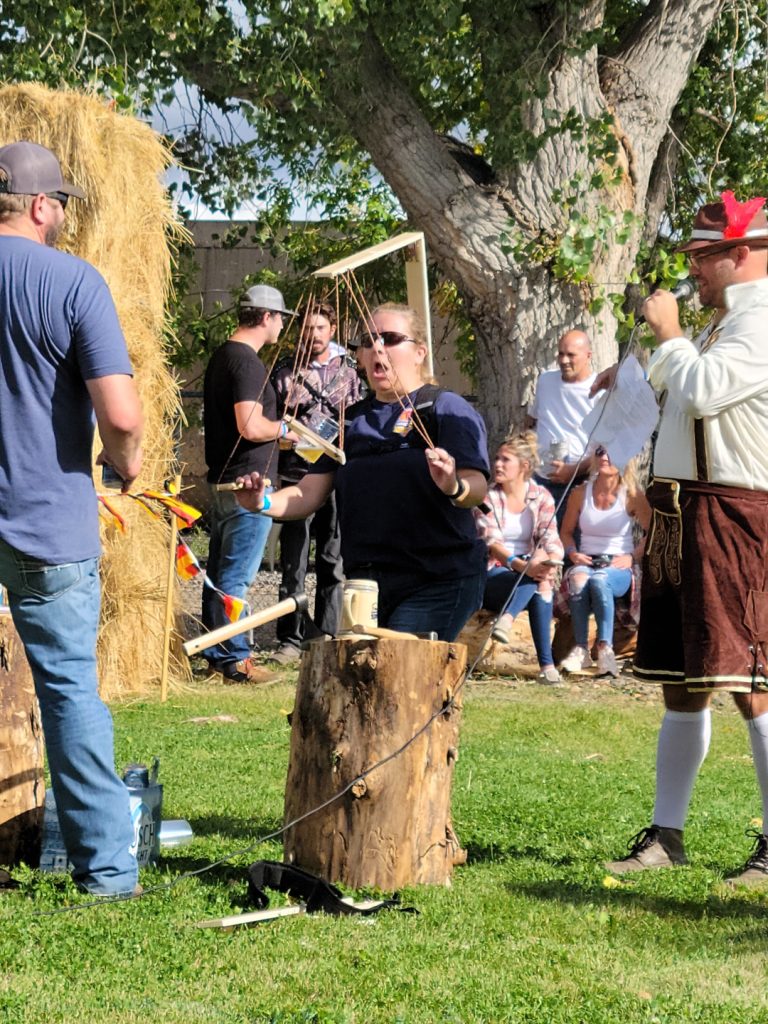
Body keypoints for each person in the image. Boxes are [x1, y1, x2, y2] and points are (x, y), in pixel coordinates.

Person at [600, 193, 768, 884]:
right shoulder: (724, 322)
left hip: (733, 515)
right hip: (682, 513)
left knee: (750, 679)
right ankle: (667, 835)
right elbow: (689, 400)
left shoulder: (760, 321)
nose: (691, 269)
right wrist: (638, 376)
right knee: (681, 680)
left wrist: (668, 335)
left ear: (741, 253)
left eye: (703, 256)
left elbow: (701, 392)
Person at [0, 141, 143, 896]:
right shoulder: (72, 282)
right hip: (45, 525)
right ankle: (108, 872)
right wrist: (128, 462)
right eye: (58, 203)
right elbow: (120, 415)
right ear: (39, 206)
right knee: (68, 696)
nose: (60, 215)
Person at [235, 303, 490, 641]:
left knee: (397, 666)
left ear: (420, 352)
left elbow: (477, 486)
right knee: (367, 671)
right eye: (368, 341)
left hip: (436, 579)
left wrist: (453, 485)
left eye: (390, 338)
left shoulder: (445, 408)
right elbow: (307, 492)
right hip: (365, 585)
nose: (377, 348)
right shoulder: (346, 420)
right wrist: (262, 503)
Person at [201, 283, 298, 683]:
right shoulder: (247, 363)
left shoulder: (223, 355)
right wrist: (286, 429)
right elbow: (250, 425)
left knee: (219, 575)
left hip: (226, 482)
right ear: (266, 317)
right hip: (249, 485)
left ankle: (216, 654)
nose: (282, 326)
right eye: (280, 318)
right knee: (236, 577)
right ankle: (237, 660)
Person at [270, 302, 361, 664]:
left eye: (320, 328)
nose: (313, 335)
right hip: (295, 476)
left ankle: (327, 634)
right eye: (307, 328)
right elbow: (272, 422)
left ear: (332, 330)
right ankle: (290, 638)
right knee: (293, 564)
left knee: (331, 560)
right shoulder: (284, 373)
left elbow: (357, 419)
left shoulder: (350, 373)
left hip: (335, 476)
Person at [474, 432, 564, 684]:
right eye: (496, 458)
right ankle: (547, 665)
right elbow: (492, 543)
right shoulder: (486, 498)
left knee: (539, 579)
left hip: (528, 571)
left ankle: (508, 620)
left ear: (524, 466)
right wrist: (522, 565)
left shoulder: (542, 496)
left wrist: (548, 560)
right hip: (493, 573)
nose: (498, 464)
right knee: (536, 582)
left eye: (505, 460)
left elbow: (552, 539)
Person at [559, 448, 650, 678]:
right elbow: (566, 532)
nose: (605, 458)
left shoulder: (631, 494)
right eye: (600, 452)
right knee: (578, 579)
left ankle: (605, 648)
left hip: (618, 563)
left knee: (600, 581)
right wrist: (572, 553)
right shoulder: (580, 493)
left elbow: (653, 532)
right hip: (587, 559)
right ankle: (581, 648)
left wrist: (632, 556)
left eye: (612, 453)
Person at [527, 330, 598, 524]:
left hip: (580, 482)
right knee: (539, 537)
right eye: (560, 354)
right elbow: (532, 419)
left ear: (588, 356)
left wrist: (574, 470)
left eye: (571, 355)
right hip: (541, 478)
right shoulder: (546, 381)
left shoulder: (600, 390)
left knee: (571, 539)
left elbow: (608, 448)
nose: (564, 360)